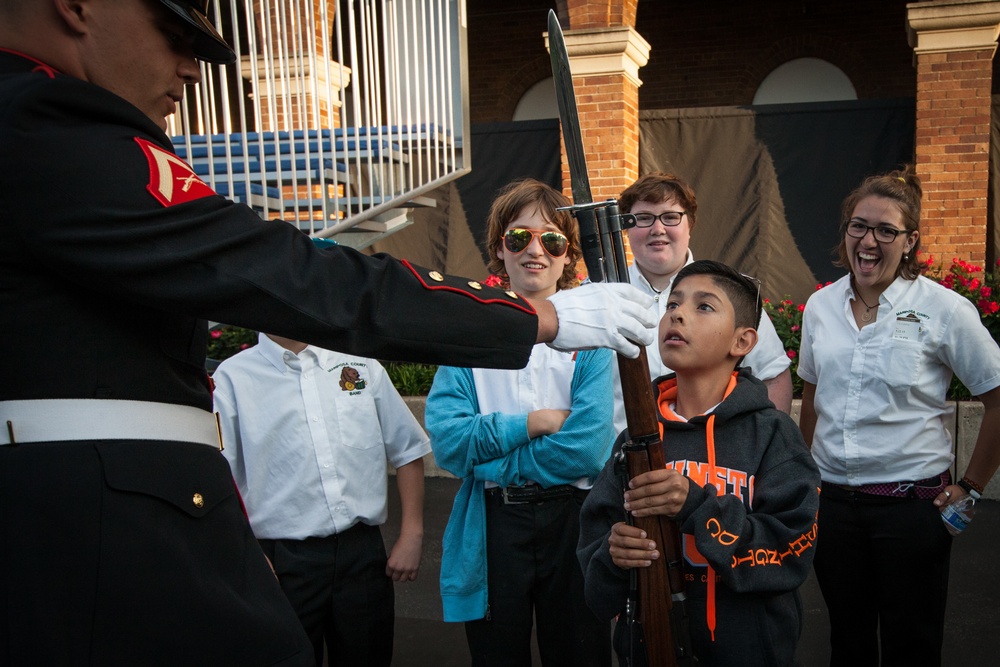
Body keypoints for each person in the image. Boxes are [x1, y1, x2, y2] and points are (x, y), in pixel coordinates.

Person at [0, 2, 657, 665]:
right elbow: (291, 276)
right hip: (95, 531)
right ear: (80, 7)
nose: (192, 70)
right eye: (174, 36)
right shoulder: (44, 123)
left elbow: (576, 447)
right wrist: (539, 319)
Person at [796, 166, 1000, 667]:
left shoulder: (945, 310)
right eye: (859, 226)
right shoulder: (821, 306)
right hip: (836, 509)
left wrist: (971, 485)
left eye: (886, 230)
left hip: (913, 511)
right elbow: (812, 393)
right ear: (845, 231)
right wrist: (804, 476)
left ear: (909, 241)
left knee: (912, 644)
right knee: (848, 640)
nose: (869, 241)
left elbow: (998, 396)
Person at [578, 260, 821, 667]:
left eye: (704, 306)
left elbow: (791, 552)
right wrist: (614, 552)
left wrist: (697, 507)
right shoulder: (635, 441)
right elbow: (596, 569)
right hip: (649, 649)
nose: (677, 312)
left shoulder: (773, 435)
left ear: (743, 342)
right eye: (673, 303)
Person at [425, 179, 616, 666]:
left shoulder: (591, 339)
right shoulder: (466, 339)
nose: (535, 250)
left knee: (579, 655)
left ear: (568, 254)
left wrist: (490, 462)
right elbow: (448, 443)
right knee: (496, 657)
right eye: (519, 237)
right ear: (498, 248)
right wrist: (535, 422)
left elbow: (587, 449)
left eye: (552, 239)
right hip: (492, 526)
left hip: (572, 521)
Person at [212, 333, 430, 667]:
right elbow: (218, 476)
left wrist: (412, 533)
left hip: (362, 555)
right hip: (281, 562)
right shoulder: (233, 377)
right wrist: (247, 553)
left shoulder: (359, 364)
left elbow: (408, 449)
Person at [612, 172, 793, 436]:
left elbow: (773, 376)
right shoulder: (602, 298)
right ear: (626, 228)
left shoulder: (731, 293)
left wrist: (758, 453)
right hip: (621, 465)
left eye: (671, 217)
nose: (657, 229)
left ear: (691, 224)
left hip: (714, 468)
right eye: (643, 218)